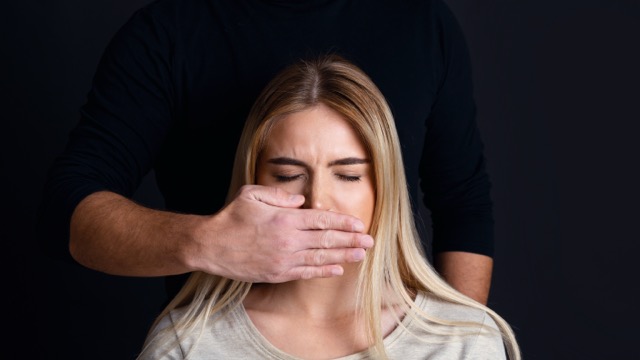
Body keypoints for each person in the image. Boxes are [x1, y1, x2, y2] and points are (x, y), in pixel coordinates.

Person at [38, 0, 495, 305]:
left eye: (349, 175)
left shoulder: (421, 23)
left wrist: (455, 339)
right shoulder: (169, 33)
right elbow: (66, 211)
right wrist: (207, 242)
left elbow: (464, 204)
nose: (318, 202)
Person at [136, 54, 519, 360]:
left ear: (383, 186)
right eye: (287, 175)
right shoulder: (187, 344)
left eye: (348, 175)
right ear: (252, 183)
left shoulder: (464, 342)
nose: (317, 201)